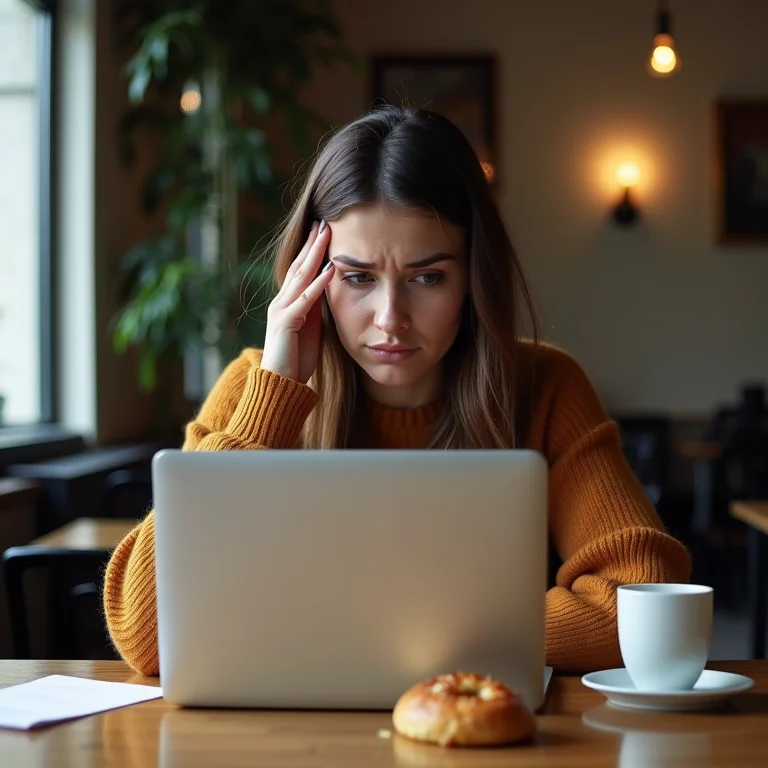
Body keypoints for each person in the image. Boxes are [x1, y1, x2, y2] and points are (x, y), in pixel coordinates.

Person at [103, 105, 691, 677]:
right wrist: (274, 398)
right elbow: (143, 634)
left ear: (472, 278)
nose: (390, 318)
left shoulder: (544, 388)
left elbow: (641, 602)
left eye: (427, 277)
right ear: (311, 278)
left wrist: (395, 637)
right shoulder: (255, 389)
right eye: (357, 277)